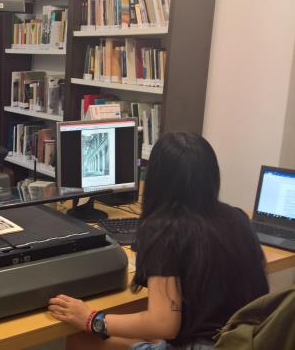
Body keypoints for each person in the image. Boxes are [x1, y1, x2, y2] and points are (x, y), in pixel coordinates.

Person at [48, 132, 269, 350]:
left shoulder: (163, 232)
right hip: (249, 340)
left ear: (156, 179)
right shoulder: (238, 217)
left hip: (206, 344)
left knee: (82, 339)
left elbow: (163, 324)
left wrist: (91, 318)